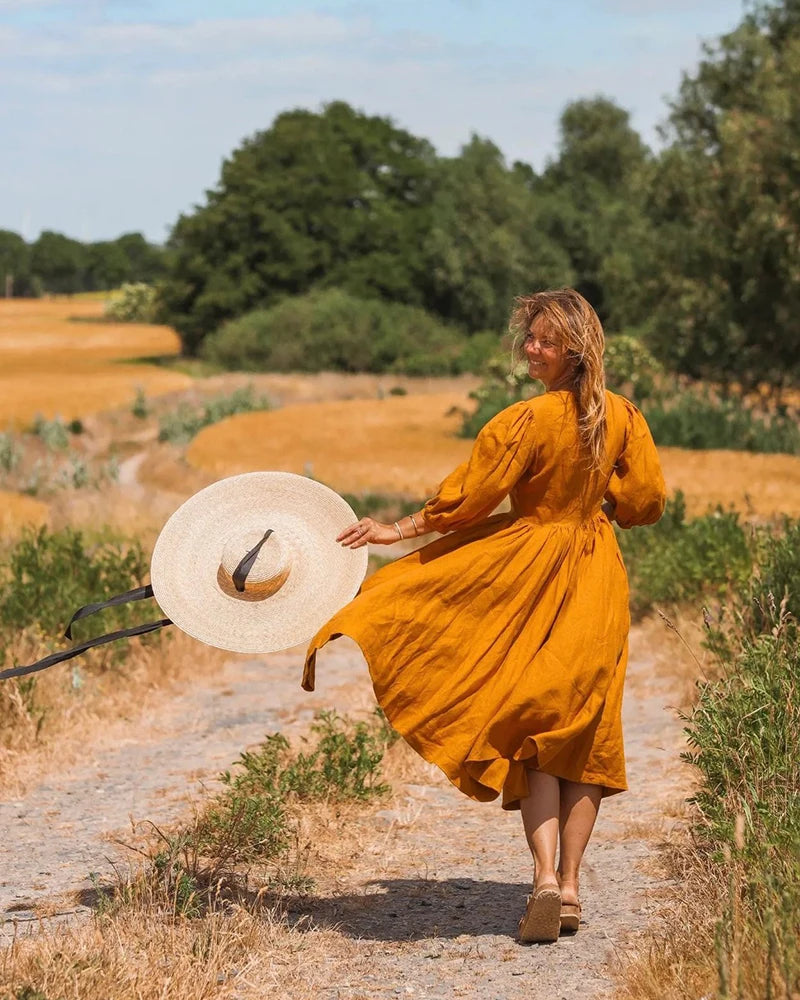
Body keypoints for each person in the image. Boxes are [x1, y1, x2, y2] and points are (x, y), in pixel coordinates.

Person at [302, 288, 666, 943]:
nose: (532, 348)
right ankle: (570, 889)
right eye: (530, 336)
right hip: (595, 571)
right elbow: (645, 502)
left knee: (531, 729)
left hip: (527, 567)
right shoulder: (624, 418)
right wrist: (602, 501)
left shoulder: (525, 420)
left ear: (575, 348)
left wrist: (401, 529)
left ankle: (547, 881)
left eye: (545, 340)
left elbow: (470, 501)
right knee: (582, 735)